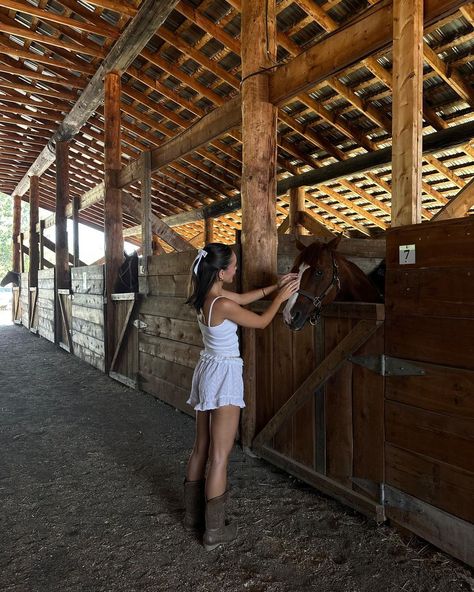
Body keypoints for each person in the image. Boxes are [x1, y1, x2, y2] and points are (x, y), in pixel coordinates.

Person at [184, 242, 300, 551]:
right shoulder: (221, 303)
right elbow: (260, 322)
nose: (237, 270)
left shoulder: (206, 296)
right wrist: (281, 298)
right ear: (221, 272)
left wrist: (275, 285)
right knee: (220, 456)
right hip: (224, 376)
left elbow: (242, 298)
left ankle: (192, 517)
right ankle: (214, 532)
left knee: (201, 448)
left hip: (207, 368)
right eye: (233, 266)